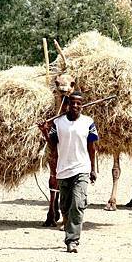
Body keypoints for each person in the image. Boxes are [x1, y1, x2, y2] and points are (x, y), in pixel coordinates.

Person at [38, 91, 99, 253]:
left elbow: (92, 147)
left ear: (82, 105)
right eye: (73, 103)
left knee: (78, 205)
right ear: (67, 105)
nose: (76, 106)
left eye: (79, 103)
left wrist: (93, 169)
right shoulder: (58, 123)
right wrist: (44, 131)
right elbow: (52, 145)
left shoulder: (88, 122)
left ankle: (72, 240)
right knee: (65, 207)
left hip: (82, 169)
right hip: (63, 170)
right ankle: (69, 229)